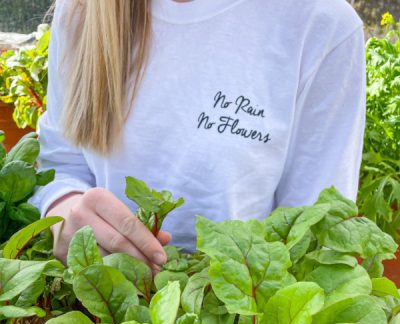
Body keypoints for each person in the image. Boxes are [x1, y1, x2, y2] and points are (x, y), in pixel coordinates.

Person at [31, 0, 366, 269]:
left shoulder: (320, 24)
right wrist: (65, 218)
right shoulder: (83, 10)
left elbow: (314, 232)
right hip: (101, 310)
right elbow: (61, 167)